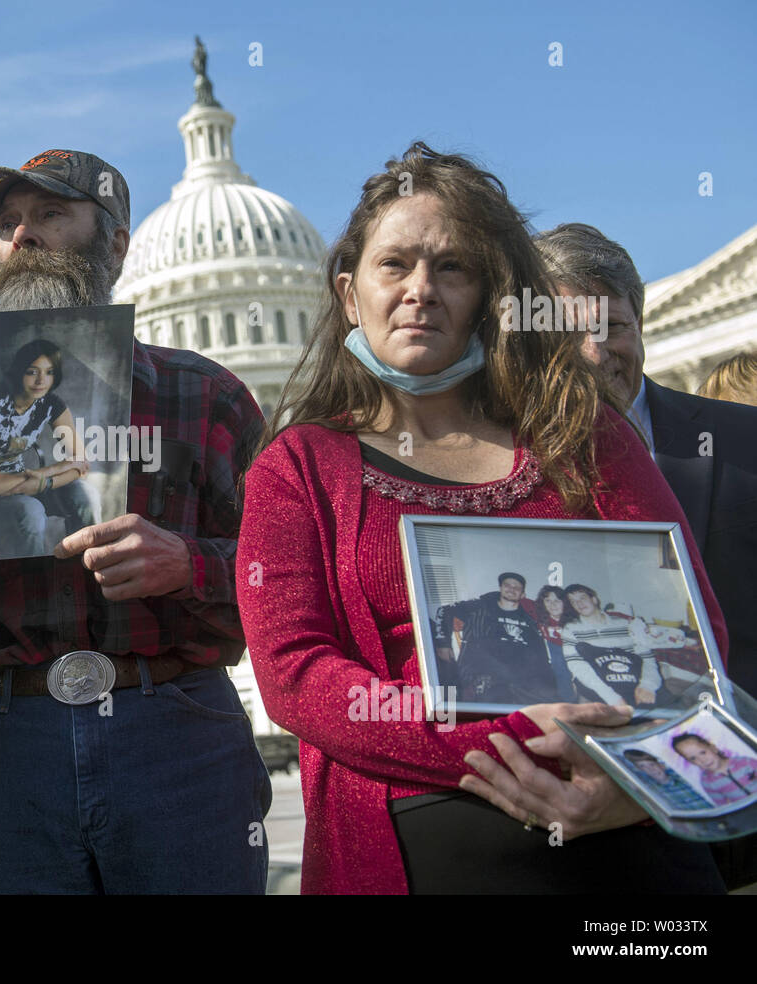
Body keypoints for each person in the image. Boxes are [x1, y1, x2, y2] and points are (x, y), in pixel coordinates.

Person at [237, 142, 729, 894]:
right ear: (348, 295)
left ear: (490, 296)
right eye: (395, 264)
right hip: (415, 856)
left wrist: (625, 786)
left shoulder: (585, 434)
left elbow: (694, 633)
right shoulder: (297, 469)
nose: (422, 290)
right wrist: (517, 738)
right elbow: (296, 676)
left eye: (453, 268)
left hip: (627, 842)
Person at [0, 148, 271, 894]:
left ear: (118, 245)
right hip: (9, 740)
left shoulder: (209, 398)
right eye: (7, 224)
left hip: (178, 731)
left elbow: (288, 582)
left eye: (50, 215)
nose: (22, 236)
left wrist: (187, 563)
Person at [534, 224, 757, 698]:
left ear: (640, 321)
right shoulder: (494, 462)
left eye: (611, 326)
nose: (593, 354)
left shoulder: (744, 438)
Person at [0, 339, 94, 557]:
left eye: (49, 372)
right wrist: (45, 475)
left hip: (28, 481)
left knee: (83, 495)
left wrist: (44, 481)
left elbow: (81, 464)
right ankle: (34, 577)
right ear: (19, 372)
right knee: (32, 511)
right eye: (32, 372)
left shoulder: (51, 404)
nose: (41, 380)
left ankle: (85, 567)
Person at [431, 572, 553, 703]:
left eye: (516, 587)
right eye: (507, 585)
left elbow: (540, 654)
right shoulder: (481, 605)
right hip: (484, 668)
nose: (511, 589)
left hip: (520, 676)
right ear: (500, 587)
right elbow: (444, 611)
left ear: (522, 594)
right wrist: (443, 643)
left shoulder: (529, 620)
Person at [558, 583, 663, 707]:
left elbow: (647, 658)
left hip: (634, 677)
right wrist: (611, 697)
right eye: (574, 601)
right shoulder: (571, 630)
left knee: (662, 711)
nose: (579, 604)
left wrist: (647, 685)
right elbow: (578, 667)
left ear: (594, 599)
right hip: (601, 683)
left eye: (582, 598)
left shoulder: (627, 624)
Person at [672, 733, 757, 806]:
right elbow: (724, 806)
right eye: (693, 758)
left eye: (703, 753)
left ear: (713, 748)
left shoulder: (745, 762)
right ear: (691, 762)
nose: (703, 760)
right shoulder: (708, 782)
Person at [526, 584, 579, 700]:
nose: (552, 605)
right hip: (553, 663)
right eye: (548, 600)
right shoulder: (539, 619)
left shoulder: (575, 622)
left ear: (565, 602)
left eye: (557, 600)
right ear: (542, 603)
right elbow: (522, 601)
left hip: (572, 660)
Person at [622, 748, 711, 812]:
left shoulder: (681, 776)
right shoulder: (650, 787)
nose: (650, 770)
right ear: (640, 770)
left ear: (662, 766)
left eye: (652, 765)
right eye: (643, 767)